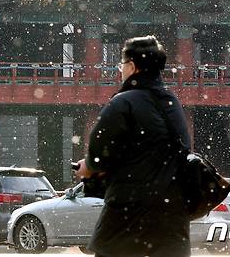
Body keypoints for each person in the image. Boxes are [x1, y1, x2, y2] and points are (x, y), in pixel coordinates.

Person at [75, 35, 191, 257]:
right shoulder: (171, 102)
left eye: (122, 65)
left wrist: (88, 167)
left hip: (129, 209)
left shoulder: (123, 102)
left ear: (132, 67)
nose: (121, 70)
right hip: (172, 212)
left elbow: (99, 153)